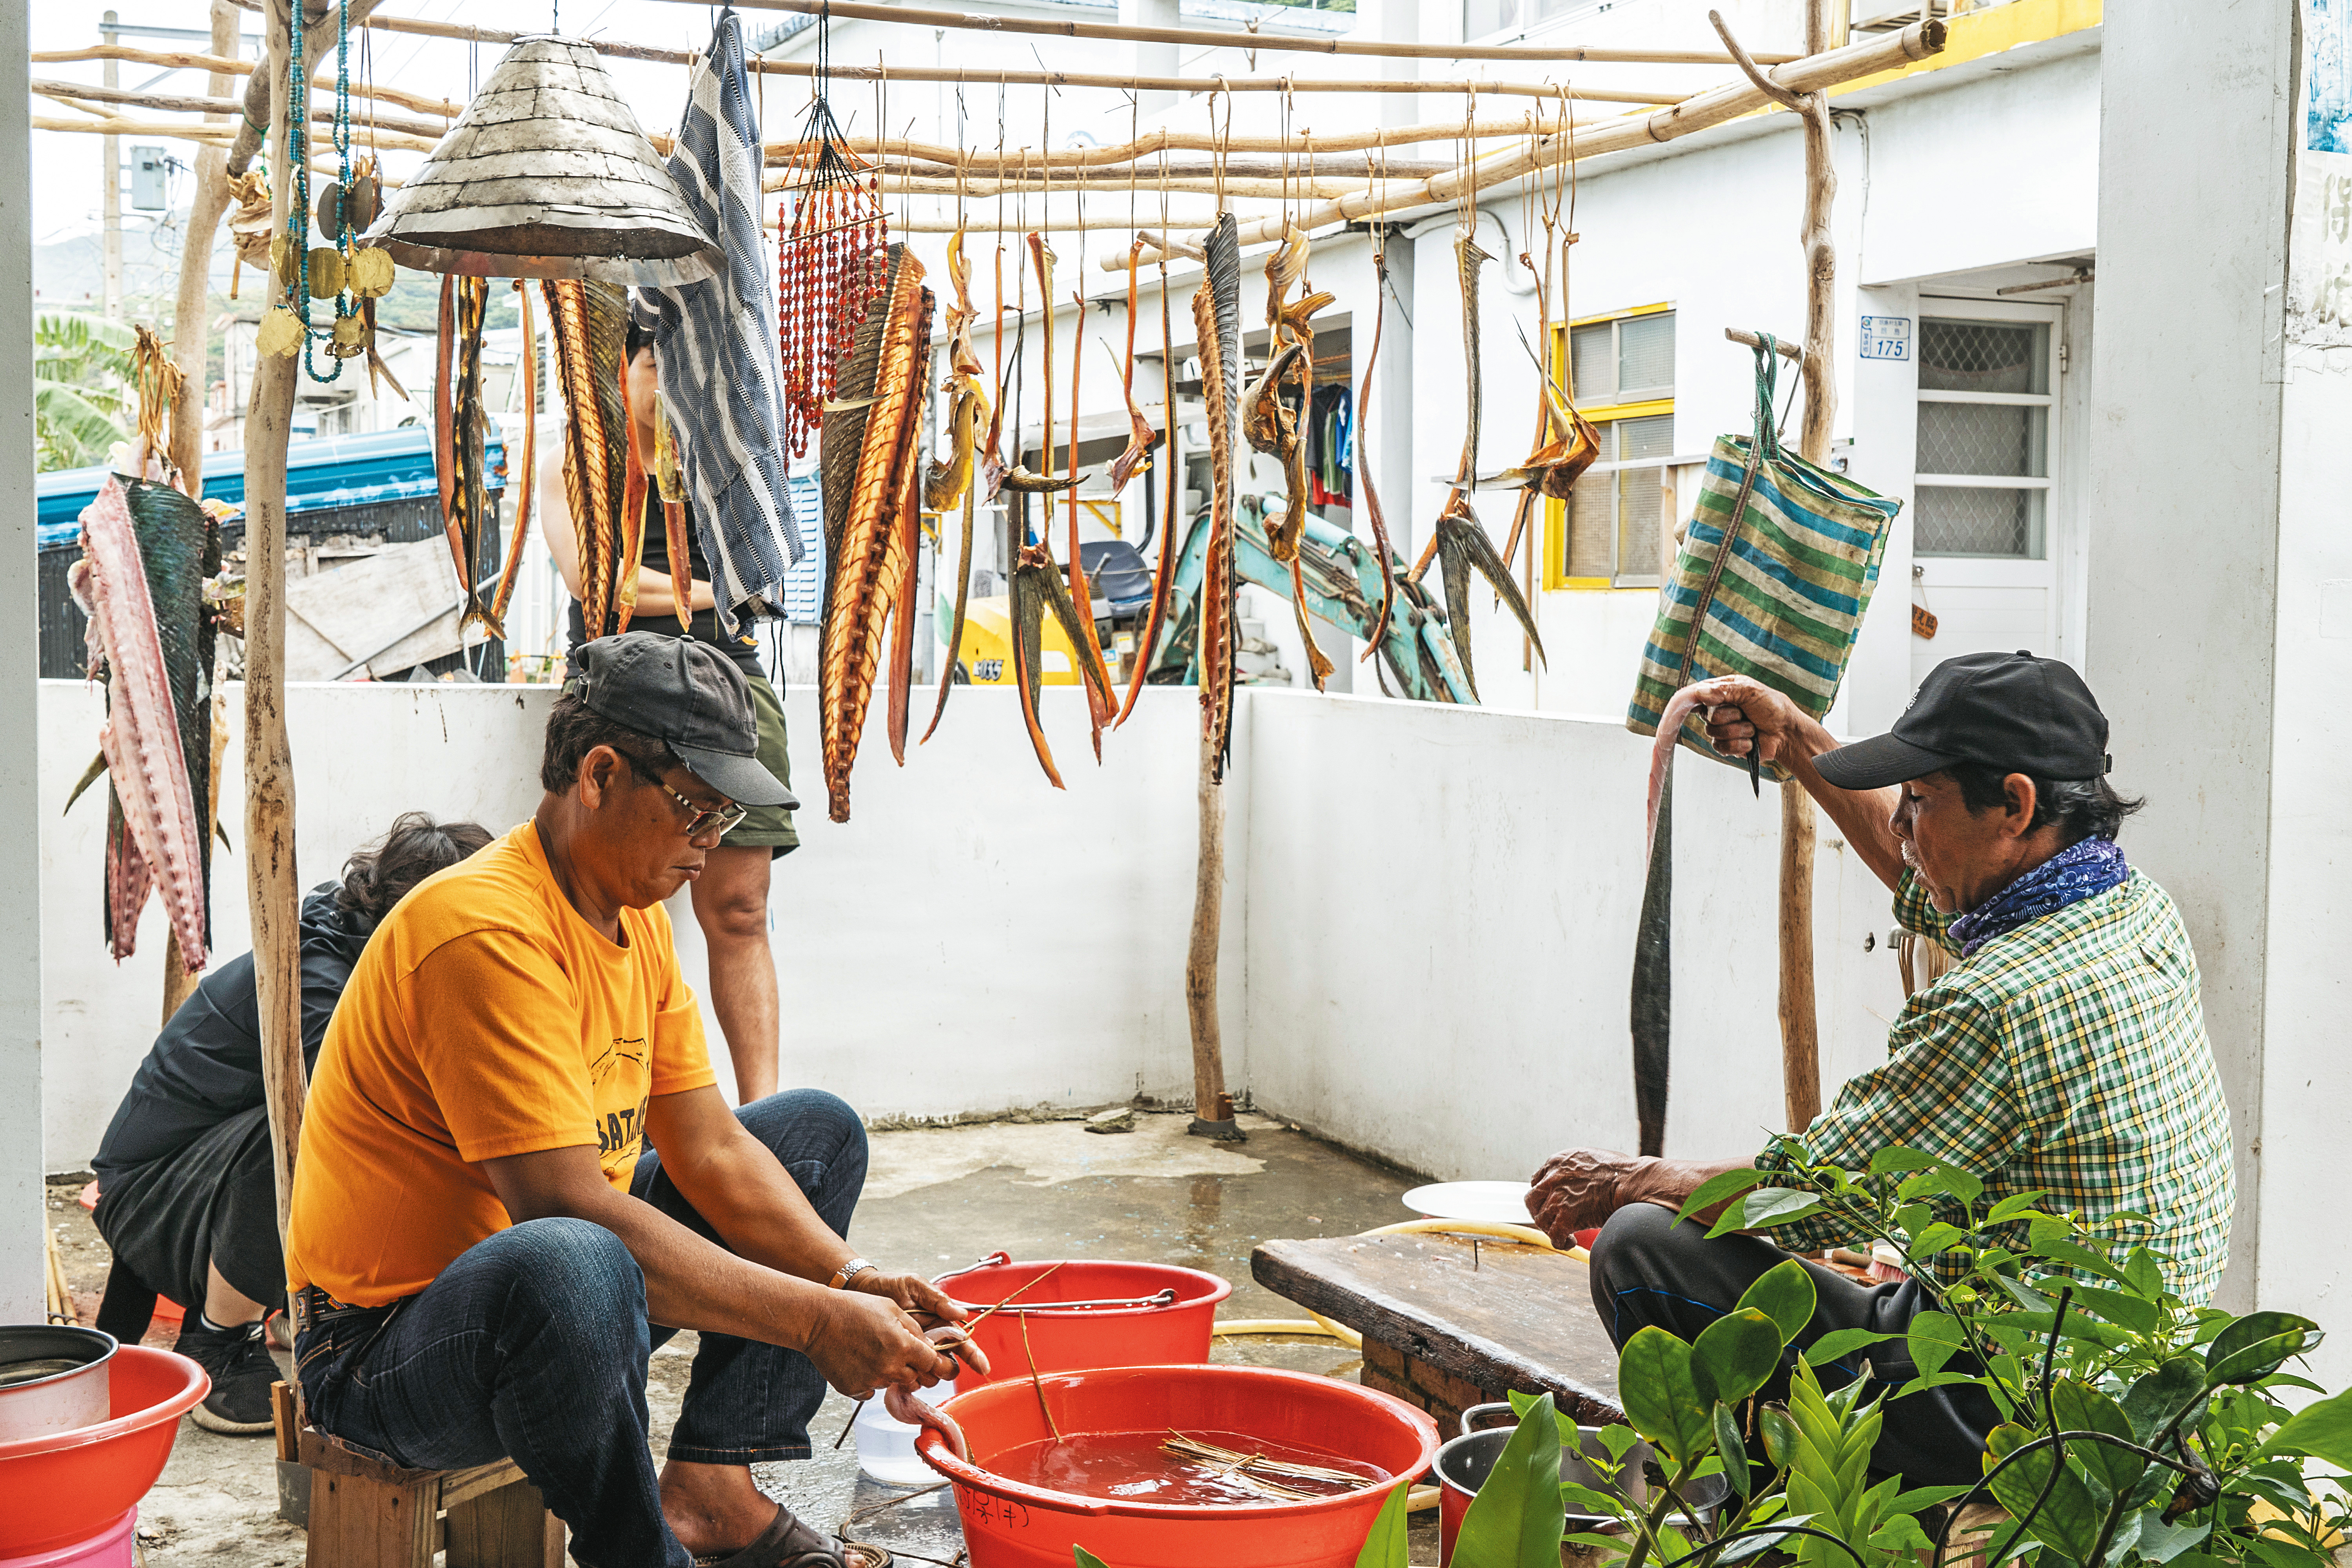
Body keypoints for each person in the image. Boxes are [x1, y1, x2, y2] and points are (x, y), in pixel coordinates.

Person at [285, 633, 962, 1568]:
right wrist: (812, 1319)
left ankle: (715, 1487)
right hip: (380, 1346)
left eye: (726, 817)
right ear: (600, 774)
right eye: (696, 808)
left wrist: (851, 1278)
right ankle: (637, 1552)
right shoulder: (481, 928)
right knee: (578, 1253)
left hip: (549, 1289)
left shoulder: (631, 920)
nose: (711, 843)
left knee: (812, 1132)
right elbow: (563, 1205)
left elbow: (713, 1147)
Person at [1525, 650, 2234, 1484]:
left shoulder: (1998, 1000)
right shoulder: (2129, 905)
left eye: (1921, 802)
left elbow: (1819, 1194)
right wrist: (1792, 737)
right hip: (2138, 1380)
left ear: (2015, 802)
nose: (1902, 826)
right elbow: (1917, 878)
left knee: (1641, 1244)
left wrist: (1627, 1178)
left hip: (2019, 1406)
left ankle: (1773, 1513)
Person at [89, 814, 493, 1435]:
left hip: (199, 1182)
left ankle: (291, 1306)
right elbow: (376, 1108)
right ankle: (217, 1342)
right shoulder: (313, 973)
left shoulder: (367, 950)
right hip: (152, 1194)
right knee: (312, 1129)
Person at [541, 303, 795, 1103]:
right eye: (657, 368)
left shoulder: (722, 466)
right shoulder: (578, 466)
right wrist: (707, 592)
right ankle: (595, 1101)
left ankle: (764, 1114)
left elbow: (766, 577)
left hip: (730, 681)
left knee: (741, 910)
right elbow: (599, 579)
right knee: (590, 903)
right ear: (624, 372)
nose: (671, 387)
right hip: (622, 687)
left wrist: (713, 597)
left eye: (686, 372)